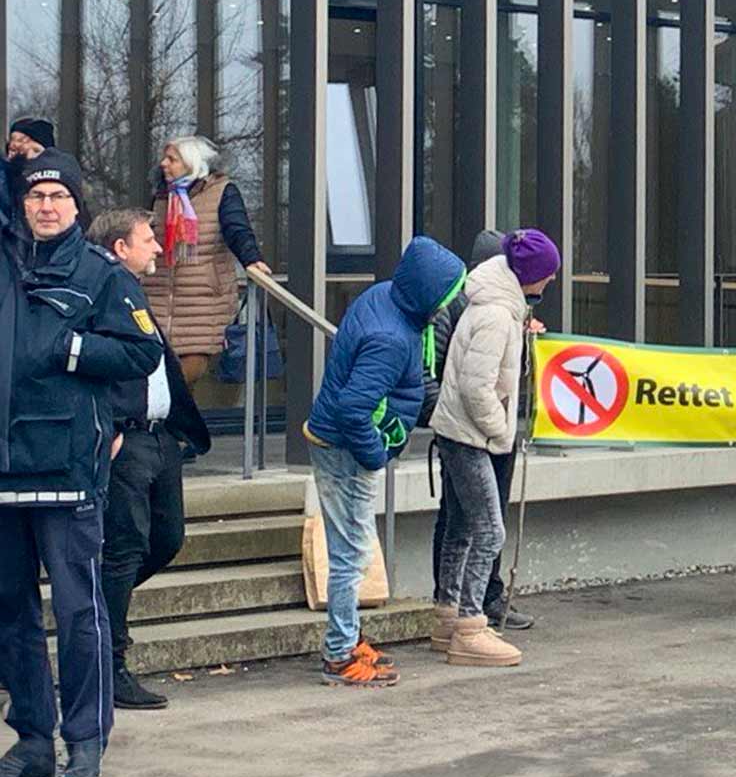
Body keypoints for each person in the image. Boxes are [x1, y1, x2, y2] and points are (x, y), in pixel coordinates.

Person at [0, 153, 165, 777]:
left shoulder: (102, 275)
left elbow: (142, 350)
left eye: (58, 197)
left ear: (76, 207)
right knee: (11, 616)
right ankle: (33, 742)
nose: (46, 206)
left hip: (69, 472)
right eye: (36, 196)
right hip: (5, 471)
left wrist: (72, 348)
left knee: (78, 614)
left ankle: (86, 745)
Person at [305, 234, 465, 687]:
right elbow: (354, 407)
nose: (447, 306)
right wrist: (375, 457)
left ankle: (348, 639)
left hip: (336, 443)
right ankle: (338, 656)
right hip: (344, 452)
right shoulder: (393, 338)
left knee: (351, 550)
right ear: (429, 295)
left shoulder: (384, 297)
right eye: (447, 295)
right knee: (351, 555)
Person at [89, 209, 212, 712]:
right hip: (129, 440)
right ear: (120, 247)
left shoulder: (130, 287)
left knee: (168, 538)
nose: (159, 248)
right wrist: (112, 426)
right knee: (124, 546)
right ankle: (109, 665)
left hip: (162, 438)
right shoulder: (106, 289)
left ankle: (93, 608)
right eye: (147, 239)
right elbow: (101, 364)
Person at [429, 229, 557, 667]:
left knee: (463, 527)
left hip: (461, 431)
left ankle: (447, 616)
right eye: (548, 273)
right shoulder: (497, 316)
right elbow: (476, 387)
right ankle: (470, 625)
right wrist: (500, 432)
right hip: (470, 435)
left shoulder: (497, 305)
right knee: (490, 530)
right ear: (530, 276)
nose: (552, 280)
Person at [142, 135, 272, 389]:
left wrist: (252, 259)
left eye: (172, 159)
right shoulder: (160, 197)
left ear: (192, 163)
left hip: (202, 302)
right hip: (158, 299)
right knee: (168, 382)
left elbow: (237, 228)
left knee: (179, 379)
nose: (163, 164)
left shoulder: (222, 192)